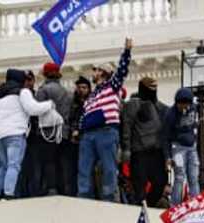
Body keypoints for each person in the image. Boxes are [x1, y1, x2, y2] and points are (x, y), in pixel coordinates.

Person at [78, 39, 132, 201]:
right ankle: (84, 197)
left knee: (109, 168)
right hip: (88, 135)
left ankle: (109, 199)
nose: (92, 73)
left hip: (107, 131)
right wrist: (79, 127)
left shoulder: (112, 86)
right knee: (84, 168)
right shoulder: (91, 96)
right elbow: (85, 113)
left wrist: (127, 51)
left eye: (95, 70)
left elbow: (122, 70)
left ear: (102, 72)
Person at [0, 69, 54, 200]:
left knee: (4, 165)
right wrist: (49, 104)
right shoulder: (23, 92)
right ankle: (8, 194)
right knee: (14, 165)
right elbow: (32, 109)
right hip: (16, 133)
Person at [121, 77, 168, 206]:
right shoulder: (131, 105)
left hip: (157, 152)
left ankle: (149, 205)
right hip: (139, 152)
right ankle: (141, 207)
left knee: (160, 182)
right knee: (139, 185)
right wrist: (126, 149)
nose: (153, 91)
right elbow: (127, 127)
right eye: (150, 88)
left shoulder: (161, 107)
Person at [34, 62, 74, 196]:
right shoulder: (67, 92)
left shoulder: (43, 90)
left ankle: (51, 189)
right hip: (63, 133)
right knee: (61, 162)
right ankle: (63, 190)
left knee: (49, 162)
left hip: (48, 133)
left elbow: (37, 110)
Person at [161, 88, 200, 205]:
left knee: (193, 177)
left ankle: (196, 204)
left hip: (191, 147)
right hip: (177, 148)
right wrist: (167, 156)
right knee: (179, 177)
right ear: (177, 103)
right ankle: (175, 205)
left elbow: (198, 113)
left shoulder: (193, 108)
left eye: (187, 105)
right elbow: (165, 137)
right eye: (181, 105)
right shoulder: (170, 115)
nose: (184, 108)